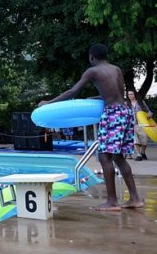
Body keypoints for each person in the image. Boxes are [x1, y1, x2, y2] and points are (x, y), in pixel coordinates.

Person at [39, 43, 143, 211]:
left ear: (92, 57)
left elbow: (72, 92)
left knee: (104, 156)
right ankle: (135, 198)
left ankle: (112, 201)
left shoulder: (92, 71)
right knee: (118, 157)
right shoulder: (116, 69)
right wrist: (94, 97)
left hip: (113, 114)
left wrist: (48, 103)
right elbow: (117, 93)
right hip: (125, 111)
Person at [126, 90, 152, 161]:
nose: (130, 96)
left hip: (142, 124)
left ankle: (142, 152)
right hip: (131, 125)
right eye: (129, 94)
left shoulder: (141, 102)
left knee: (145, 140)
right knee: (135, 140)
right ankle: (138, 155)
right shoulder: (126, 104)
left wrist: (149, 114)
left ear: (135, 95)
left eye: (131, 94)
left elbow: (148, 111)